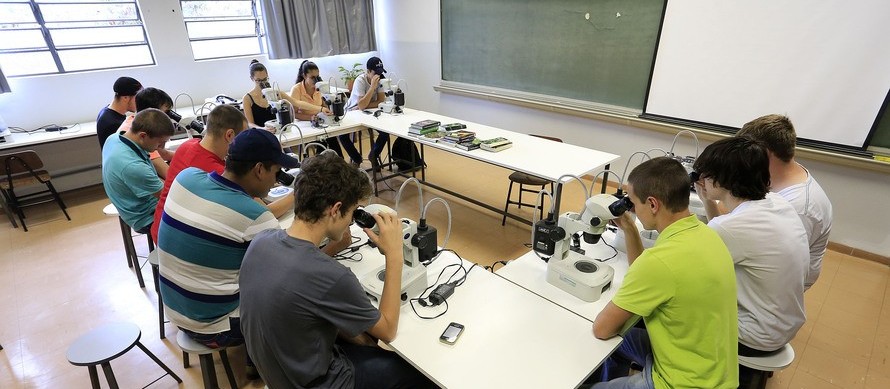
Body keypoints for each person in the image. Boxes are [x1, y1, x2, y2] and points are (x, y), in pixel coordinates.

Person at [240, 152, 435, 389]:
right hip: (318, 382)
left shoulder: (261, 242)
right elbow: (388, 329)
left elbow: (296, 277)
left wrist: (334, 246)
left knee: (363, 339)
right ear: (335, 209)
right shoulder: (332, 276)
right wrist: (394, 256)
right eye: (352, 213)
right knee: (417, 371)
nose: (351, 222)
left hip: (281, 374)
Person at [590, 157, 738, 389]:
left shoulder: (659, 262)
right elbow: (649, 270)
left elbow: (602, 329)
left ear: (652, 204)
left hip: (681, 383)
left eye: (633, 203)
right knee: (623, 342)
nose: (632, 209)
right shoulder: (707, 233)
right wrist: (629, 228)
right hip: (713, 369)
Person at [693, 137, 809, 356]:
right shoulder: (778, 202)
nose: (700, 181)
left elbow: (680, 269)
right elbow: (725, 235)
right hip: (783, 325)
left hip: (752, 336)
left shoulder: (730, 228)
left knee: (668, 306)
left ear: (721, 181)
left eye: (704, 176)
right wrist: (708, 200)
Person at [150, 105, 294, 243]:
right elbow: (266, 211)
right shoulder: (217, 172)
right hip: (178, 236)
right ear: (230, 135)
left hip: (164, 225)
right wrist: (299, 192)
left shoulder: (189, 145)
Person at [736, 114, 832, 290]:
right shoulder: (776, 175)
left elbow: (768, 259)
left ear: (765, 154)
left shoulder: (799, 207)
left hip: (778, 286)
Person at [102, 108, 173, 234]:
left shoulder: (114, 138)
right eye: (160, 142)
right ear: (143, 136)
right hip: (145, 218)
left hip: (132, 202)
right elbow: (169, 197)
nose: (161, 147)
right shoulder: (133, 166)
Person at [288, 60, 352, 162]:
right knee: (323, 148)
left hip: (321, 124)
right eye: (312, 77)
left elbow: (324, 105)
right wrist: (310, 118)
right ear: (304, 76)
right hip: (306, 126)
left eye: (317, 76)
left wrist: (329, 110)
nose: (316, 80)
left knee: (336, 150)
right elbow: (293, 114)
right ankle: (323, 166)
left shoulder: (320, 88)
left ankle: (339, 163)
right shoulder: (296, 90)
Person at [118, 87, 177, 179]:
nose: (167, 117)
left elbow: (162, 153)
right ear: (152, 113)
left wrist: (186, 154)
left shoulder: (132, 121)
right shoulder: (143, 135)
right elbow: (168, 174)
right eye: (166, 112)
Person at [346, 57, 389, 169]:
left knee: (385, 132)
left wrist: (363, 105)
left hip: (368, 112)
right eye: (375, 73)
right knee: (342, 136)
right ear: (368, 71)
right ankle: (356, 158)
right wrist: (372, 88)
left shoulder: (380, 80)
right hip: (351, 112)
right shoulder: (360, 81)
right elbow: (361, 105)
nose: (378, 76)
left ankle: (373, 155)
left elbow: (380, 101)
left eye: (380, 73)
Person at [242, 59, 301, 130]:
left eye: (265, 79)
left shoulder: (276, 93)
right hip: (260, 134)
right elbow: (250, 123)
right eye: (259, 80)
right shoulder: (247, 98)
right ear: (252, 78)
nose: (262, 83)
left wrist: (318, 109)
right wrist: (263, 129)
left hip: (278, 132)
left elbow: (297, 103)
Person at [97, 76, 142, 149]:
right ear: (125, 97)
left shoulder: (106, 111)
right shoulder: (114, 124)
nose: (140, 101)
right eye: (137, 97)